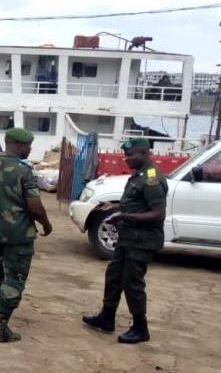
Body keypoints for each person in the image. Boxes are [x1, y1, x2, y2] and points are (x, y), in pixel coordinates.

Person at [82, 138, 168, 344]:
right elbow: (137, 205)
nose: (126, 159)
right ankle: (107, 317)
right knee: (114, 276)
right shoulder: (138, 176)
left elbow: (158, 214)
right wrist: (114, 208)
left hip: (142, 241)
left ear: (145, 153)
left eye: (131, 155)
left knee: (132, 283)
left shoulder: (151, 178)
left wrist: (125, 217)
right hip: (128, 238)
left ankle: (140, 327)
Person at [0, 128, 52, 342]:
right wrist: (46, 224)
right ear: (18, 145)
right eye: (28, 146)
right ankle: (0, 327)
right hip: (19, 236)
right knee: (14, 279)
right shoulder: (23, 171)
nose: (30, 150)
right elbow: (35, 206)